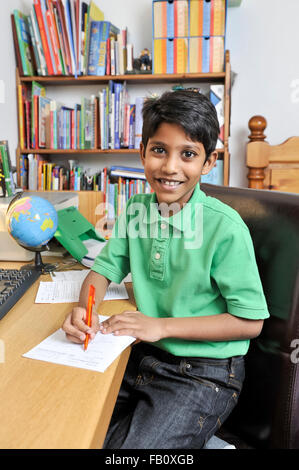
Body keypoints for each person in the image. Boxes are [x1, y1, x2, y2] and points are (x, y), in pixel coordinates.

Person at [62, 90, 269, 449]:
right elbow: (102, 270)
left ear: (208, 162)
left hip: (205, 374)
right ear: (143, 152)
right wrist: (86, 310)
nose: (170, 167)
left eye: (187, 154)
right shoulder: (136, 209)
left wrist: (160, 326)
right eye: (159, 150)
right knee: (70, 428)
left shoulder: (225, 228)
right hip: (141, 356)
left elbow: (250, 322)